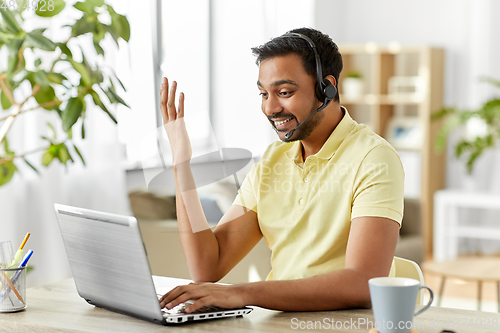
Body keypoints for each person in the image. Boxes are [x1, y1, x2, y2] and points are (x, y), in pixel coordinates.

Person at [158, 27, 404, 312]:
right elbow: (207, 265)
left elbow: (363, 283)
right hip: (278, 323)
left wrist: (241, 293)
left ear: (327, 87)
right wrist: (180, 161)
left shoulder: (374, 158)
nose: (270, 108)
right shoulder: (273, 160)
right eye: (264, 94)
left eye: (284, 92)